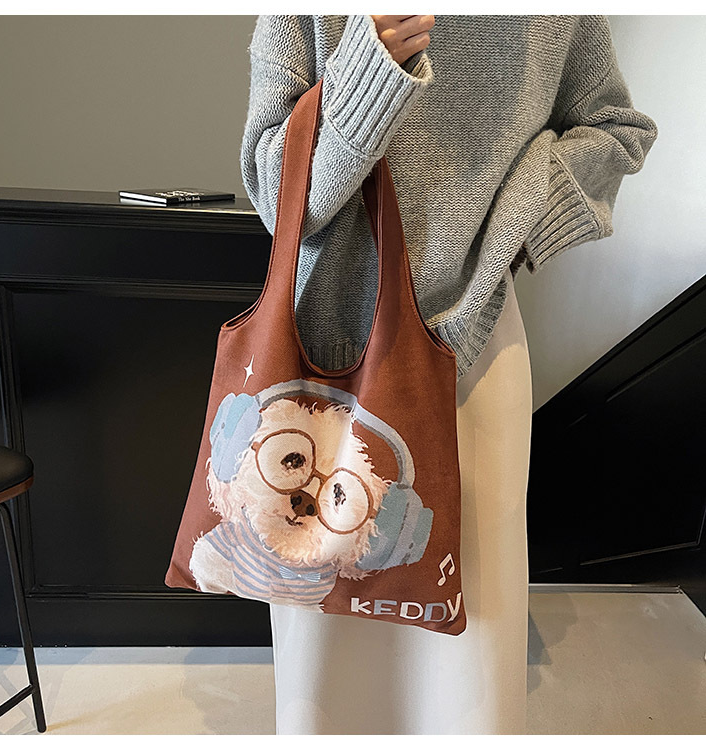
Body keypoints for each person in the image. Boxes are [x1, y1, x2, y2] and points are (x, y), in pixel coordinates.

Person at [239, 14, 658, 734]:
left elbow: (618, 129)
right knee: (327, 657)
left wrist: (515, 215)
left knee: (469, 661)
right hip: (328, 363)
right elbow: (277, 196)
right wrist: (366, 75)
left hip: (478, 358)